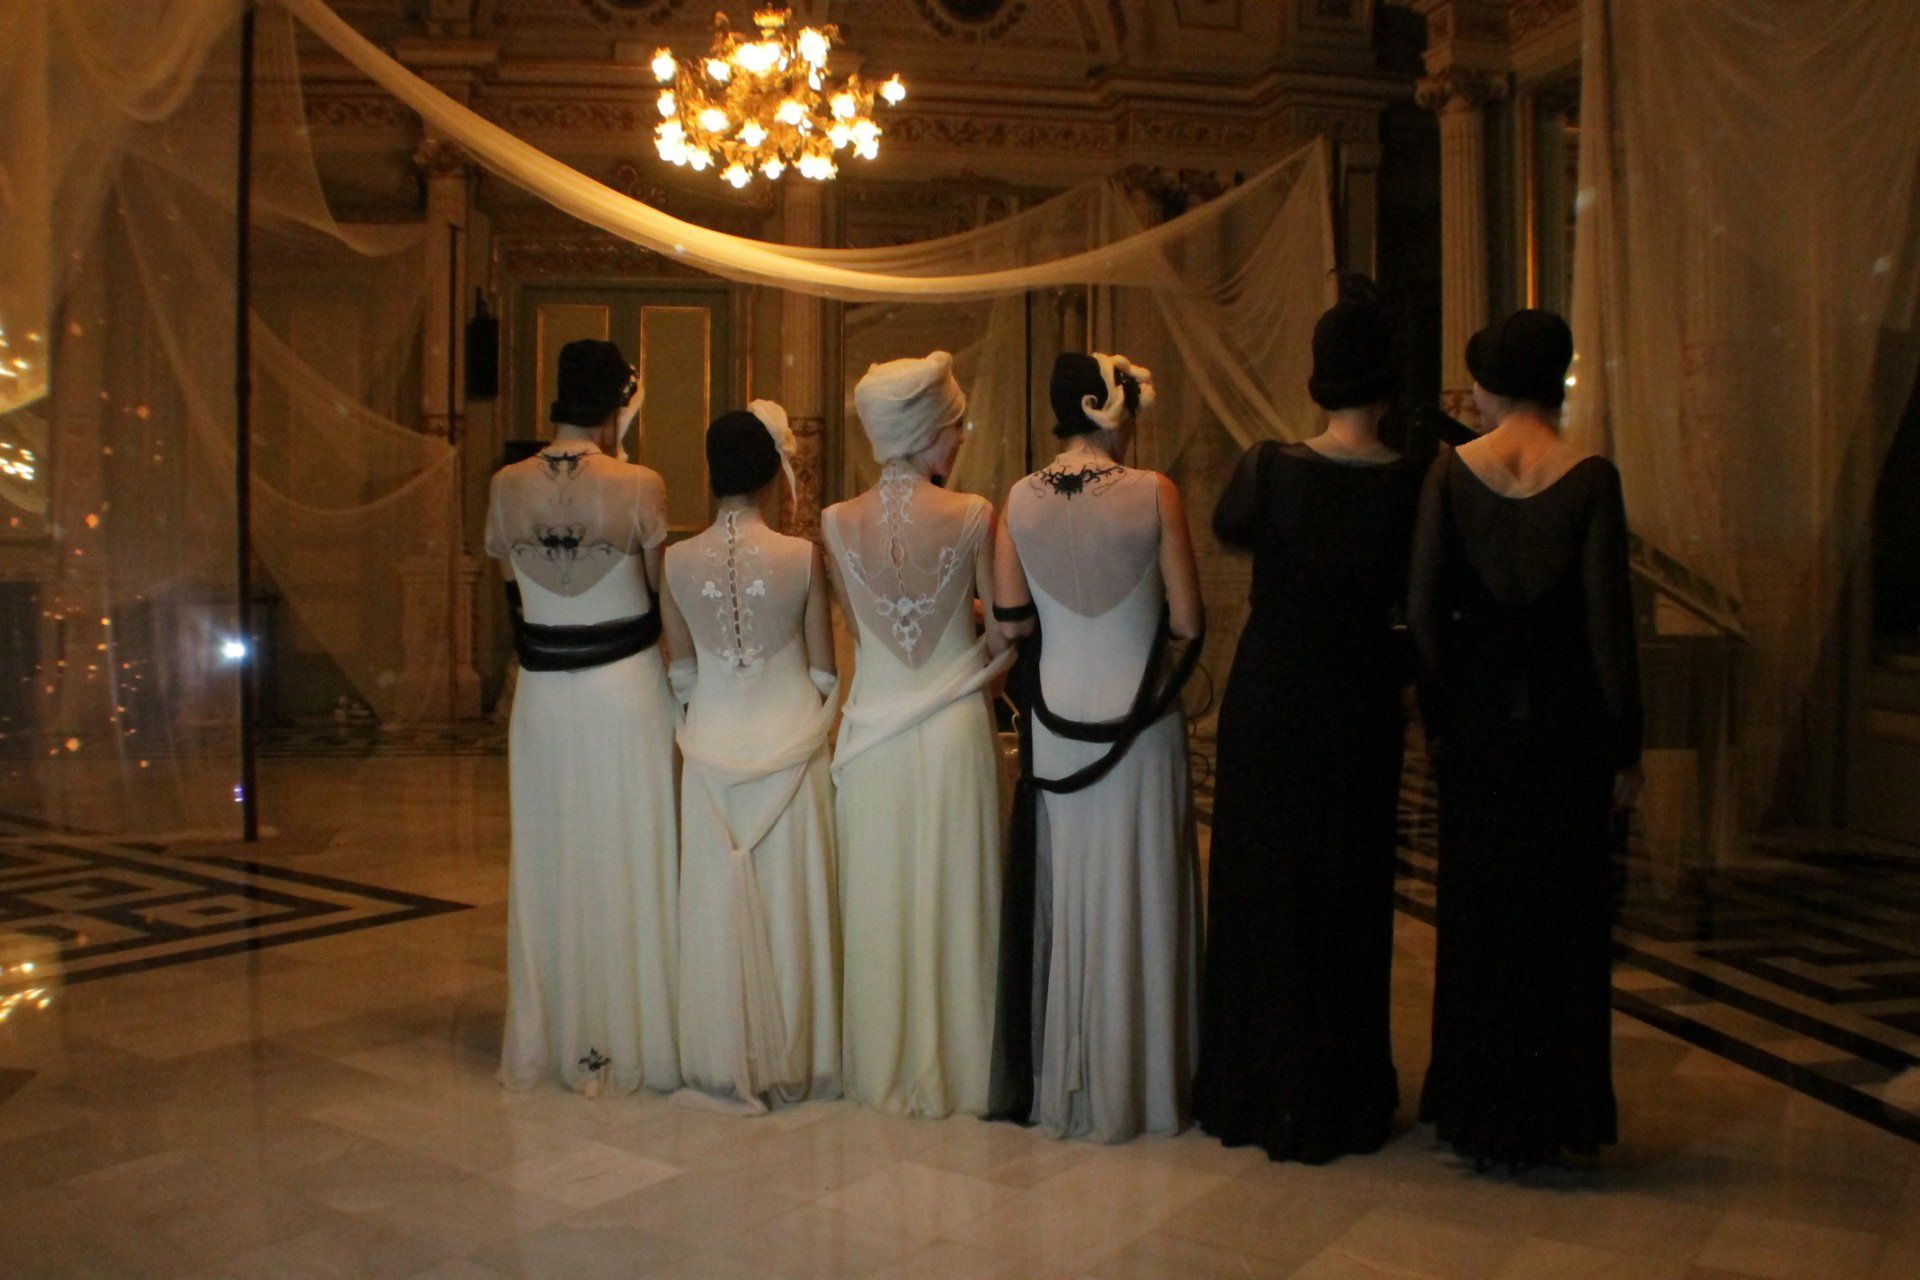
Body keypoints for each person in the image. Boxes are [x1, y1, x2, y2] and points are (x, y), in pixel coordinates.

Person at [1196, 275, 1426, 1163]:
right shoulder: (1413, 484)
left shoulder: (1269, 468)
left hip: (1273, 695)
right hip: (1359, 699)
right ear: (1388, 384)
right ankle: (1340, 1089)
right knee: (1348, 892)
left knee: (1264, 886)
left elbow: (1232, 528)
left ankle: (1254, 1081)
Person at [1409, 308, 1642, 1170]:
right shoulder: (1592, 478)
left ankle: (1476, 1106)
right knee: (1562, 921)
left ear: (1495, 383)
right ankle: (1556, 1111)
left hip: (1477, 728)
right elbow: (1608, 628)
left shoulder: (1451, 472)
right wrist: (1626, 744)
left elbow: (1423, 610)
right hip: (1566, 730)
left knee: (1478, 917)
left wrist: (1440, 716)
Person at [993, 352, 1204, 1143]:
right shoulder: (1156, 492)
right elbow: (1187, 620)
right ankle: (1141, 1087)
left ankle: (1070, 1077)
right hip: (1140, 725)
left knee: (1072, 893)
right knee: (1139, 893)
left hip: (1057, 726)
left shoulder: (1018, 498)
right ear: (1114, 409)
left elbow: (1012, 621)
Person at [485, 338, 678, 1096]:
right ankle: (633, 1032)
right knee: (629, 851)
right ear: (620, 402)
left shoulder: (505, 484)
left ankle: (558, 1032)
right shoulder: (640, 484)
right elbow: (659, 596)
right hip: (625, 690)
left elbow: (514, 590)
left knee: (552, 853)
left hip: (543, 695)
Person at [824, 351, 1011, 1119]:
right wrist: (971, 664)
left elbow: (862, 627)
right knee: (956, 897)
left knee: (881, 899)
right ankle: (962, 1066)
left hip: (874, 730)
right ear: (931, 429)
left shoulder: (835, 522)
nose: (961, 439)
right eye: (955, 425)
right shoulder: (974, 513)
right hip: (954, 724)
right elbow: (1007, 635)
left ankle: (881, 1061)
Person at [662, 403, 840, 1113]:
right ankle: (795, 1049)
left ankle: (719, 1047)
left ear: (711, 474)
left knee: (715, 902)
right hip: (789, 745)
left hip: (710, 744)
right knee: (789, 901)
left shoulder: (675, 561)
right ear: (773, 473)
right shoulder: (802, 558)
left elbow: (681, 674)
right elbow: (824, 672)